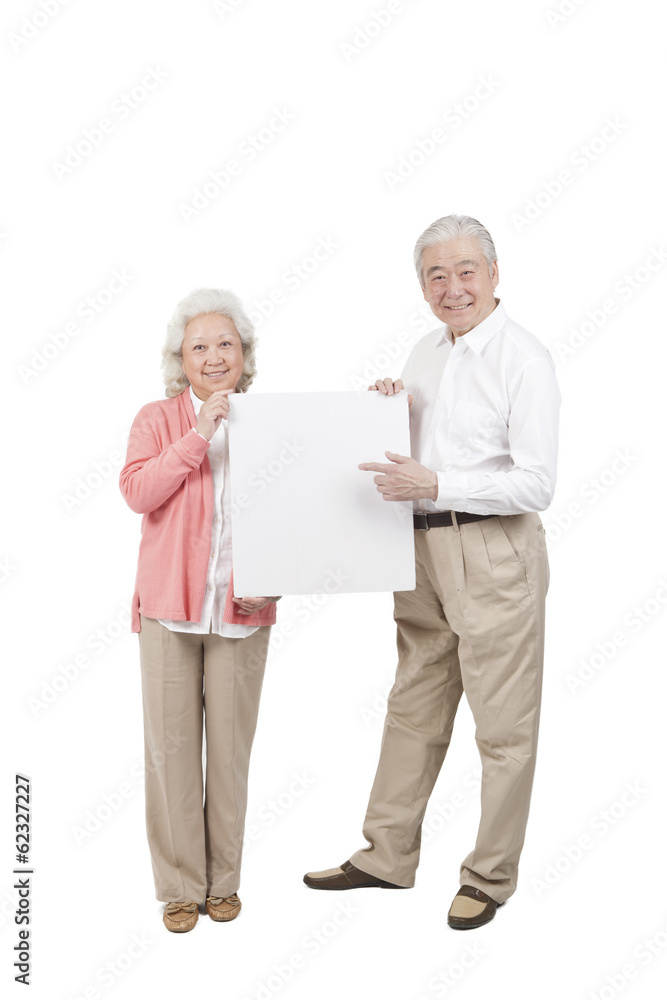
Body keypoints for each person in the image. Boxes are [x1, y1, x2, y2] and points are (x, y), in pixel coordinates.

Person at [303, 214, 561, 930]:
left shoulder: (523, 359)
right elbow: (416, 448)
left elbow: (536, 483)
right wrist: (387, 409)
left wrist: (437, 487)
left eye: (465, 271)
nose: (452, 288)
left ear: (494, 273)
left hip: (492, 551)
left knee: (502, 726)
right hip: (416, 547)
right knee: (412, 705)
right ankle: (385, 855)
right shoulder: (424, 351)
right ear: (422, 286)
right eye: (435, 275)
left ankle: (490, 875)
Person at [120, 288, 279, 933]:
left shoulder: (271, 424)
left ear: (244, 353)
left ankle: (225, 883)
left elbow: (293, 517)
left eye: (226, 344)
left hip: (242, 612)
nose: (215, 357)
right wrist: (200, 431)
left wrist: (271, 583)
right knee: (172, 752)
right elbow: (139, 492)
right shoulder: (157, 418)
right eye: (200, 347)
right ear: (179, 360)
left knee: (231, 754)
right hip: (168, 613)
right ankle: (181, 885)